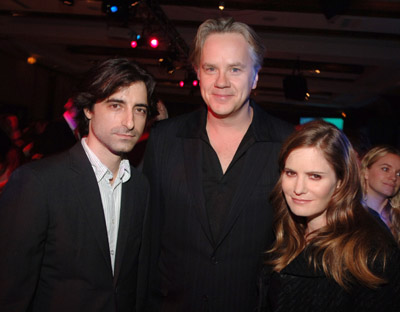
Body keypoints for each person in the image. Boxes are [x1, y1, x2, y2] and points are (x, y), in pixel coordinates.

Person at [141, 17, 293, 312]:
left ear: (256, 76)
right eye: (211, 68)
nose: (221, 82)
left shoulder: (286, 144)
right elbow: (148, 235)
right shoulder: (165, 139)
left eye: (235, 69)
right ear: (198, 72)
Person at [0, 58, 157, 312]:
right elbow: (10, 291)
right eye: (116, 105)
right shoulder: (38, 182)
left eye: (139, 109)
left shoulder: (140, 187)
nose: (130, 122)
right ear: (88, 110)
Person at [258, 120, 400, 312]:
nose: (298, 189)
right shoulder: (281, 227)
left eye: (315, 176)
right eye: (290, 173)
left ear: (341, 182)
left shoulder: (371, 249)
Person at [360, 145, 400, 244]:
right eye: (385, 169)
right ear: (366, 172)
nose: (393, 177)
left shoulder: (396, 219)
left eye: (399, 174)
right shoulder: (345, 213)